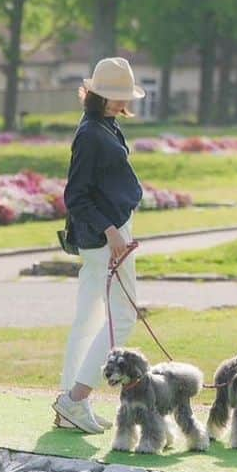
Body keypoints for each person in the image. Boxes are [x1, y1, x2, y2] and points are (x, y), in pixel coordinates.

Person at [53, 56, 147, 434]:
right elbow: (76, 196)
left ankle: (70, 403)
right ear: (99, 95)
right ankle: (75, 398)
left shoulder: (103, 126)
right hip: (105, 238)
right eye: (115, 95)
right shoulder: (92, 134)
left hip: (109, 233)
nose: (122, 101)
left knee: (90, 317)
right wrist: (112, 232)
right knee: (122, 318)